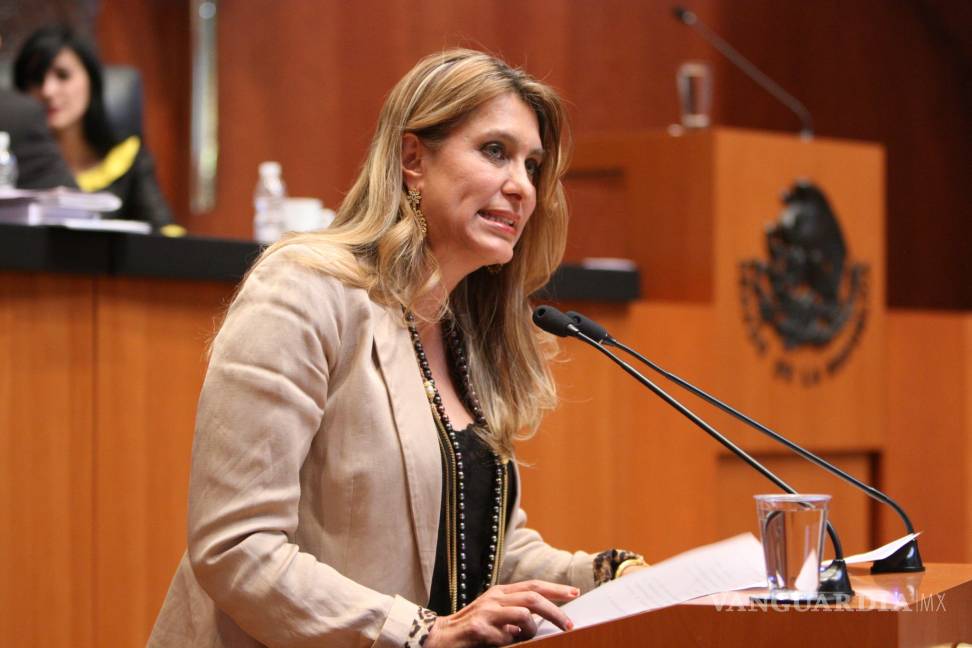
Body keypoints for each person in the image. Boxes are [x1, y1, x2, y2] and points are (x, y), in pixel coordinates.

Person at [149, 49, 645, 648]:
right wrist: (421, 632)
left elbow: (486, 554)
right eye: (495, 151)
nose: (521, 186)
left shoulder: (466, 333)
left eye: (532, 165)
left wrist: (609, 578)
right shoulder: (303, 291)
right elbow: (237, 546)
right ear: (413, 160)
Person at [13, 24, 173, 229]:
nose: (48, 91)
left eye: (63, 75)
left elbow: (164, 231)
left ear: (91, 80)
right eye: (36, 79)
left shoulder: (126, 157)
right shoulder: (10, 162)